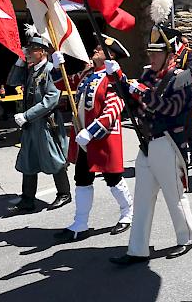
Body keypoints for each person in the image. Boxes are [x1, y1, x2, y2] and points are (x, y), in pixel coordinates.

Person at [109, 15, 192, 265]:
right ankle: (137, 249)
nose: (152, 57)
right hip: (146, 143)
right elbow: (134, 104)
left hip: (168, 143)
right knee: (142, 198)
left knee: (174, 195)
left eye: (157, 53)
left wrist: (142, 94)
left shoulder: (182, 77)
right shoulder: (148, 76)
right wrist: (119, 81)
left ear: (170, 55)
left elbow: (170, 108)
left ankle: (187, 237)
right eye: (150, 52)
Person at [52, 36, 134, 242]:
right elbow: (62, 83)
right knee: (82, 178)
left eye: (100, 48)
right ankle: (80, 223)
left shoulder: (113, 76)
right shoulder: (88, 72)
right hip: (82, 137)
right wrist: (56, 66)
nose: (95, 50)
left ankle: (128, 213)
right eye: (96, 46)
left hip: (101, 137)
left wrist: (92, 131)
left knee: (112, 178)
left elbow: (115, 108)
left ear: (111, 55)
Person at [6, 33, 71, 214]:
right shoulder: (31, 69)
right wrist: (20, 62)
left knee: (53, 157)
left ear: (42, 52)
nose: (27, 53)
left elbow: (51, 99)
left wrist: (26, 115)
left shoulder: (50, 70)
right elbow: (12, 81)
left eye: (31, 50)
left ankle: (64, 193)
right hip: (31, 124)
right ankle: (27, 199)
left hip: (45, 123)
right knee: (28, 158)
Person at [171, 35, 192, 171]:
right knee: (178, 129)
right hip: (174, 98)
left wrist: (176, 73)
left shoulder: (189, 53)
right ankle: (183, 157)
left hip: (187, 96)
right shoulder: (171, 54)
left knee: (190, 128)